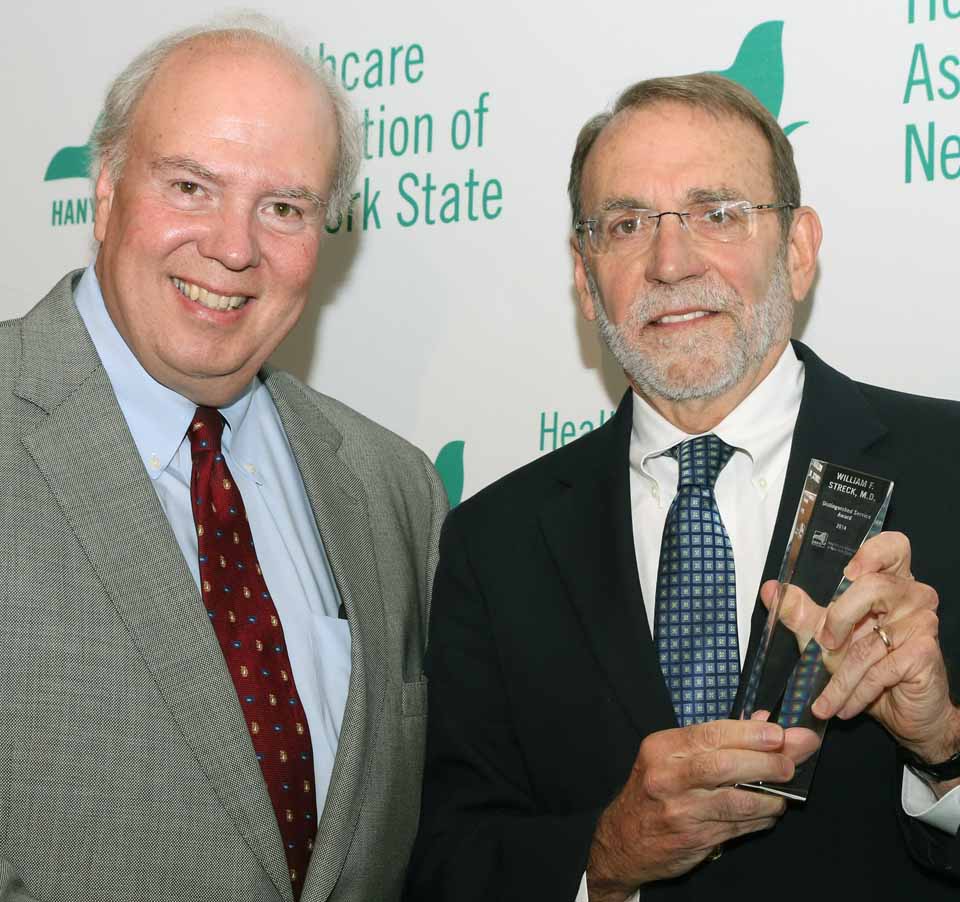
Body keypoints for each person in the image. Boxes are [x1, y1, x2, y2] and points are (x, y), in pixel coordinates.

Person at [406, 73, 960, 901]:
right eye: (626, 224)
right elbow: (449, 860)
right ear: (586, 273)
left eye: (718, 214)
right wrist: (602, 857)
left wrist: (944, 748)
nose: (671, 262)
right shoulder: (496, 540)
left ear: (798, 249)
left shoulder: (948, 467)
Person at [0, 16, 444, 902]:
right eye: (193, 186)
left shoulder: (396, 488)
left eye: (284, 207)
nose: (235, 248)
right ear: (105, 191)